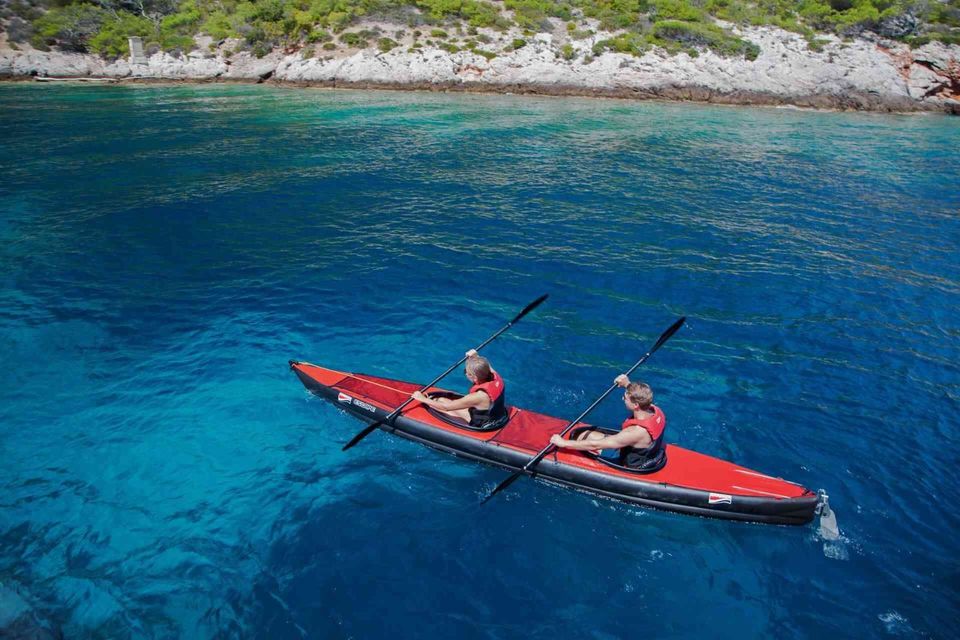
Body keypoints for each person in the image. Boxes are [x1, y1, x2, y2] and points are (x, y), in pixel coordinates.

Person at [549, 374, 667, 471]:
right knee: (582, 435)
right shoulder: (656, 411)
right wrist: (627, 384)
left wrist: (563, 443)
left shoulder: (635, 432)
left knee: (585, 443)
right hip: (650, 455)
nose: (622, 399)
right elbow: (641, 397)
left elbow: (595, 445)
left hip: (630, 464)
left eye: (625, 398)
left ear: (636, 405)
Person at [411, 350, 509, 429]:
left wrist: (422, 398)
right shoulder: (497, 379)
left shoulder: (478, 396)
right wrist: (476, 357)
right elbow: (487, 366)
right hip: (497, 417)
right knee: (439, 399)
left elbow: (446, 407)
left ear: (474, 378)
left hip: (482, 425)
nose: (465, 373)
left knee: (436, 407)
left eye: (466, 371)